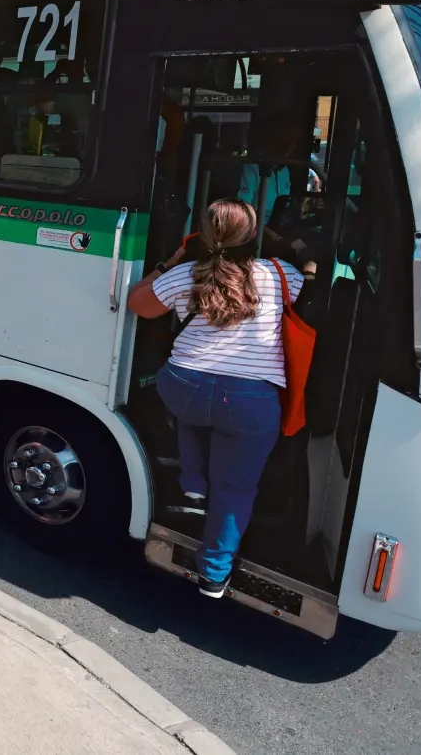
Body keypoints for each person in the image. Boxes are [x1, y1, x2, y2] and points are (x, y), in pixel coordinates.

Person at [127, 199, 304, 599]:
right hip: (249, 403)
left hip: (182, 385)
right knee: (235, 489)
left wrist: (169, 261)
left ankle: (193, 480)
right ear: (253, 235)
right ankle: (214, 575)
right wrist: (293, 248)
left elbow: (137, 304)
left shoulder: (186, 274)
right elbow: (310, 281)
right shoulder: (281, 274)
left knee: (196, 405)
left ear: (202, 235)